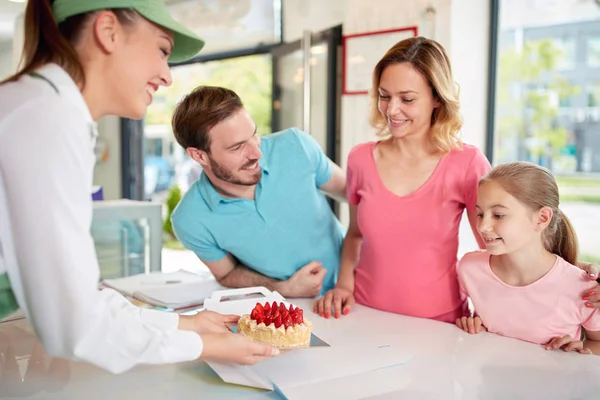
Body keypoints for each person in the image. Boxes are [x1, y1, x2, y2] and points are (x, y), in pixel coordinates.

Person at [0, 0, 278, 374]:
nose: (167, 76)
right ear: (108, 30)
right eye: (163, 50)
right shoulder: (48, 118)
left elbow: (78, 294)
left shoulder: (40, 105)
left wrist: (184, 323)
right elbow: (73, 322)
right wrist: (202, 343)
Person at [314, 37, 600, 321]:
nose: (392, 109)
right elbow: (355, 234)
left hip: (441, 323)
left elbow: (501, 243)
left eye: (407, 99)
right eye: (385, 95)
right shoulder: (360, 159)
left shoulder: (466, 163)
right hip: (366, 314)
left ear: (437, 98)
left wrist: (574, 272)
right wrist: (343, 286)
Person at [170, 86, 346, 298]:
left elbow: (355, 194)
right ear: (199, 156)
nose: (257, 153)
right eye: (237, 147)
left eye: (254, 135)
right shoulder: (190, 220)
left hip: (357, 285)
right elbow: (227, 274)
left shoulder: (296, 145)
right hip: (288, 310)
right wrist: (283, 289)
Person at [456, 162, 600, 355]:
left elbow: (596, 343)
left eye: (498, 215)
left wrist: (580, 352)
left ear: (541, 219)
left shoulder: (583, 288)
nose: (482, 226)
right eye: (480, 214)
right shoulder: (470, 268)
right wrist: (471, 326)